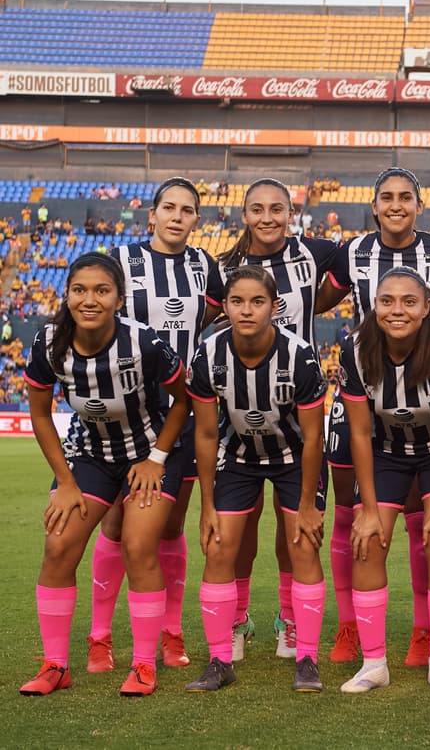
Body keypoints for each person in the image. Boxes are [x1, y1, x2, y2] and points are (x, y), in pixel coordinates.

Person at [21, 253, 190, 697]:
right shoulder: (48, 342)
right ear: (67, 294)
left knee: (138, 544)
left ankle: (143, 664)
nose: (89, 299)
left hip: (151, 454)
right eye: (80, 290)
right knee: (58, 544)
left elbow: (183, 401)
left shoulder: (145, 343)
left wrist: (156, 458)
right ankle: (56, 665)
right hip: (91, 455)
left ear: (119, 298)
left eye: (101, 291)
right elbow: (40, 414)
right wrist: (66, 482)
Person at [319, 167, 430, 667]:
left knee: (425, 515)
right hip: (364, 387)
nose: (397, 205)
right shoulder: (351, 251)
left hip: (423, 386)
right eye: (387, 197)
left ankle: (425, 632)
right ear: (375, 204)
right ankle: (349, 627)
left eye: (406, 197)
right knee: (351, 514)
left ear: (419, 206)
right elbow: (318, 298)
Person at [88, 178, 222, 674]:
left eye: (187, 210)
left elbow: (219, 310)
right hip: (126, 411)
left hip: (181, 411)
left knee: (167, 524)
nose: (177, 216)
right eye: (169, 207)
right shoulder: (120, 262)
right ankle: (99, 637)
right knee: (118, 522)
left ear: (196, 220)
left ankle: (170, 630)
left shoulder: (204, 266)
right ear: (152, 214)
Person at [212, 177, 339, 660]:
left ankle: (290, 619)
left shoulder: (316, 253)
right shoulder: (222, 267)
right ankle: (238, 618)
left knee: (295, 530)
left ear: (292, 212)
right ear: (243, 214)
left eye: (277, 208)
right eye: (257, 209)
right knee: (239, 528)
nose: (267, 217)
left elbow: (375, 255)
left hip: (296, 410)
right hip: (237, 415)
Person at [184, 266, 328, 693]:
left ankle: (307, 658)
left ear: (275, 307)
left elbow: (314, 436)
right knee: (218, 548)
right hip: (239, 456)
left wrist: (307, 504)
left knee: (302, 546)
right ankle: (219, 660)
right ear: (224, 306)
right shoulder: (208, 355)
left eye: (257, 301)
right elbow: (207, 433)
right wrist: (207, 504)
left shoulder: (299, 355)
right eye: (237, 301)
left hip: (294, 458)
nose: (247, 310)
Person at [337, 268, 430, 694]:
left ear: (428, 307)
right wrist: (370, 511)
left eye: (409, 301)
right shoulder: (355, 349)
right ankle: (374, 664)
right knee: (366, 541)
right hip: (386, 452)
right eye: (387, 301)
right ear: (374, 306)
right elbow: (359, 432)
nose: (398, 310)